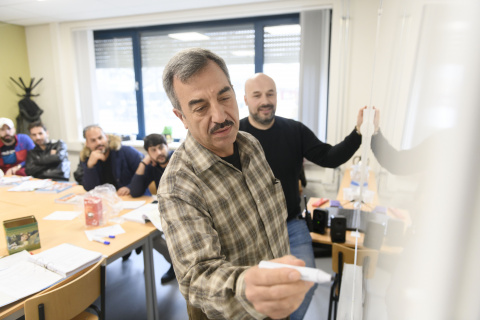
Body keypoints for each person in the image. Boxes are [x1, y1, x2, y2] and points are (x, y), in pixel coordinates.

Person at [158, 48, 313, 320]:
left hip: (274, 306)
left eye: (224, 97)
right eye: (200, 107)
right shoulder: (178, 186)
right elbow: (197, 276)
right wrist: (247, 287)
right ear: (181, 117)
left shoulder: (250, 144)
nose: (220, 116)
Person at [239, 73, 369, 319]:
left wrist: (358, 133)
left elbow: (329, 157)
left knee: (305, 283)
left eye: (270, 93)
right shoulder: (236, 135)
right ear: (245, 100)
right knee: (258, 294)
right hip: (251, 228)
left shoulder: (294, 130)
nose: (265, 100)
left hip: (291, 223)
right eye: (257, 95)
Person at [130, 133, 176, 284]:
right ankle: (175, 265)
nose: (159, 153)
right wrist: (144, 163)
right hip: (164, 210)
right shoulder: (152, 167)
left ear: (167, 146)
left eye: (161, 148)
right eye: (153, 150)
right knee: (151, 236)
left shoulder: (178, 160)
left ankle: (178, 265)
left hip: (183, 209)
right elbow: (136, 191)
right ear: (148, 153)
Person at [75, 125, 143, 196]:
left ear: (106, 137)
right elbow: (90, 189)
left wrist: (130, 187)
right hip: (106, 201)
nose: (98, 142)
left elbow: (145, 174)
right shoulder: (86, 157)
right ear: (87, 144)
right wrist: (90, 166)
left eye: (100, 138)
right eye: (93, 140)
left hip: (130, 197)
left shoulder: (126, 151)